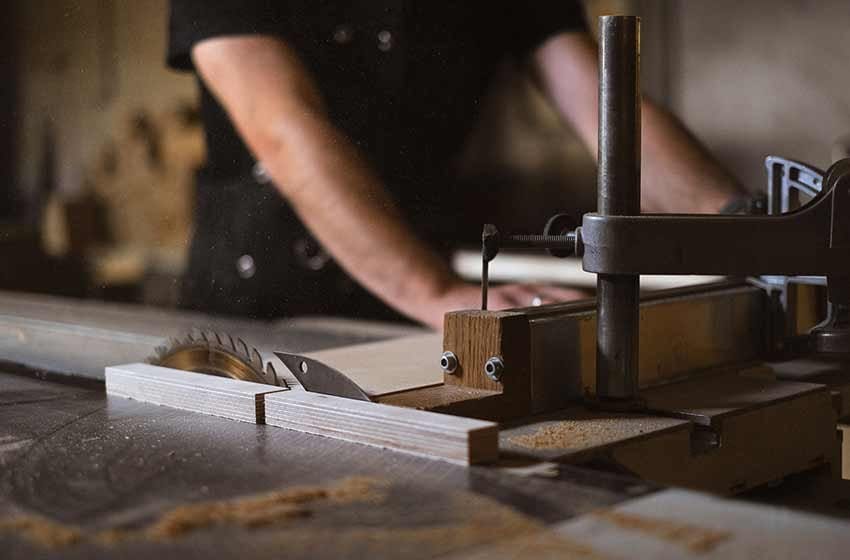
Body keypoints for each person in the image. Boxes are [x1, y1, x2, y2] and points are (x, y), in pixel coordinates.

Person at [168, 1, 743, 329]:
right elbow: (285, 129)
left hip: (420, 306)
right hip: (256, 316)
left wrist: (752, 232)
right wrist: (436, 291)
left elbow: (606, 109)